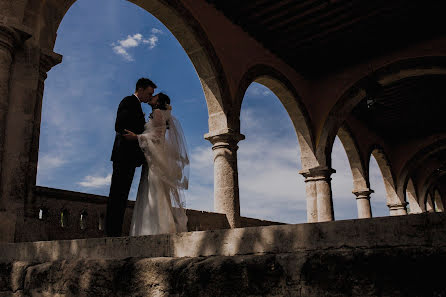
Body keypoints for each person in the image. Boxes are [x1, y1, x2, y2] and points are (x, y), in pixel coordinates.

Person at [123, 93, 189, 236]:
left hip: (154, 158)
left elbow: (158, 136)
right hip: (151, 157)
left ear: (158, 102)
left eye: (154, 97)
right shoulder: (157, 113)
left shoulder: (158, 113)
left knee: (153, 190)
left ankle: (156, 230)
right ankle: (151, 229)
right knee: (151, 190)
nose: (151, 97)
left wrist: (137, 137)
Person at [105, 78, 157, 237]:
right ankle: (112, 233)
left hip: (130, 159)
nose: (149, 97)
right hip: (123, 156)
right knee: (117, 194)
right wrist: (135, 136)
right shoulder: (128, 101)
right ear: (140, 89)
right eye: (149, 93)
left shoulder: (137, 105)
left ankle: (115, 232)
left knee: (122, 195)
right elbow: (119, 126)